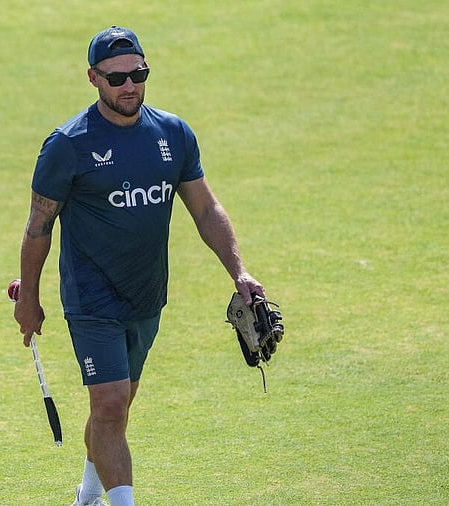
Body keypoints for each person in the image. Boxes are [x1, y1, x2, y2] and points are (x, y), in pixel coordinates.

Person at [14, 26, 267, 506]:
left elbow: (206, 210)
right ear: (93, 78)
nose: (129, 85)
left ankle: (87, 496)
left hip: (147, 298)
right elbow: (37, 228)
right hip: (91, 300)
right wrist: (30, 298)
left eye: (138, 74)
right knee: (109, 405)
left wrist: (240, 272)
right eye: (116, 78)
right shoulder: (67, 145)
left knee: (117, 406)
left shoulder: (173, 134)